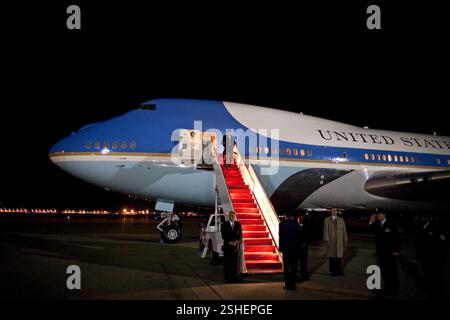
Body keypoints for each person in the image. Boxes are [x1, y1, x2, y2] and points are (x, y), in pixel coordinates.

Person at [414, 215, 447, 298]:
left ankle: (439, 292)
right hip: (424, 256)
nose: (421, 219)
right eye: (421, 217)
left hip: (434, 257)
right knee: (427, 272)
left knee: (436, 274)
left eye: (423, 217)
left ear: (427, 218)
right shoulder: (420, 227)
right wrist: (418, 255)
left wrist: (442, 257)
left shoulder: (435, 227)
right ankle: (430, 288)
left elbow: (442, 242)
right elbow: (418, 242)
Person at [369, 211, 400, 295]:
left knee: (392, 272)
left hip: (390, 253)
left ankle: (394, 289)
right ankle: (388, 288)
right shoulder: (377, 223)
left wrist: (396, 250)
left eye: (378, 215)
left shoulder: (392, 223)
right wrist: (371, 222)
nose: (377, 216)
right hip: (381, 252)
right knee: (385, 272)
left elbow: (396, 237)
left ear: (383, 215)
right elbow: (371, 230)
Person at [279, 212, 301, 290]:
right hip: (294, 249)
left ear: (285, 216)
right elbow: (299, 237)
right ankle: (293, 285)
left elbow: (281, 237)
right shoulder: (296, 224)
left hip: (286, 249)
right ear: (292, 216)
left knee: (287, 267)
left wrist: (281, 248)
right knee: (294, 267)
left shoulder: (282, 224)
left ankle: (287, 284)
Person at [323, 208, 348, 276]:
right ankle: (333, 271)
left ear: (337, 212)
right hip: (331, 241)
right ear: (331, 211)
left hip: (339, 241)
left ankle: (339, 271)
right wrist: (326, 239)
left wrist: (345, 239)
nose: (334, 211)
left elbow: (344, 230)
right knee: (331, 257)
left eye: (335, 210)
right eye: (333, 210)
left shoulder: (341, 220)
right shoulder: (327, 220)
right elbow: (325, 230)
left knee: (339, 257)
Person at [221, 211, 242, 283]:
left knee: (234, 264)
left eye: (233, 216)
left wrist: (236, 241)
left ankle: (234, 278)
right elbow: (223, 235)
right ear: (229, 217)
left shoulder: (238, 224)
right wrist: (229, 242)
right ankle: (227, 279)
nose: (232, 217)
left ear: (235, 216)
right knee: (226, 264)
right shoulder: (225, 224)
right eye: (231, 216)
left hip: (235, 247)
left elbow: (239, 235)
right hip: (227, 246)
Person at [297, 214, 310, 282]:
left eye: (302, 219)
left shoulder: (306, 228)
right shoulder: (295, 227)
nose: (300, 220)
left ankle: (304, 276)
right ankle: (297, 276)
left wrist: (305, 243)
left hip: (304, 248)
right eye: (299, 219)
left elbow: (309, 237)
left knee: (304, 263)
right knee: (296, 263)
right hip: (297, 247)